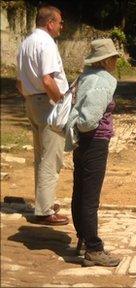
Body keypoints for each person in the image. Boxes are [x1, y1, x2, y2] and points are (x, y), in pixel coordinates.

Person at [67, 38, 121, 267]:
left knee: (80, 190)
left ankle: (83, 235)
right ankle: (94, 248)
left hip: (82, 141)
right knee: (90, 197)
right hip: (94, 140)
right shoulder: (102, 81)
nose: (117, 60)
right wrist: (88, 129)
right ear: (107, 60)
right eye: (115, 57)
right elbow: (89, 119)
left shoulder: (85, 77)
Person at [16, 5, 69, 225]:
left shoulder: (26, 43)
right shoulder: (46, 43)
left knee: (40, 155)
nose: (61, 26)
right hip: (47, 103)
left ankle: (42, 202)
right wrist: (61, 101)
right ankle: (45, 210)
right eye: (59, 22)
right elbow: (48, 80)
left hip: (31, 101)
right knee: (52, 156)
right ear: (50, 23)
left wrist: (31, 97)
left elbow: (19, 82)